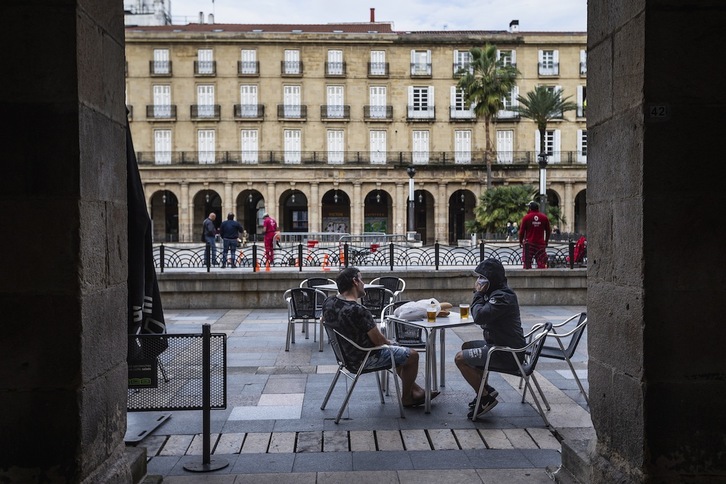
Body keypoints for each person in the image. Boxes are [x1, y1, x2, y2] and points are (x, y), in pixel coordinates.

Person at [321, 267, 436, 408]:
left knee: (399, 353)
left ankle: (417, 390)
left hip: (345, 357)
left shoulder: (329, 302)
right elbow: (378, 341)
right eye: (361, 279)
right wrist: (390, 342)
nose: (363, 283)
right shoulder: (359, 310)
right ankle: (407, 398)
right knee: (412, 355)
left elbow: (324, 321)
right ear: (355, 282)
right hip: (365, 358)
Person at [454, 259, 525, 419]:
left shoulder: (502, 297)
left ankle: (485, 398)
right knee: (467, 347)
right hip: (499, 346)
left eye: (482, 277)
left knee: (460, 359)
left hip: (507, 353)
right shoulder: (496, 293)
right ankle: (485, 390)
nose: (478, 281)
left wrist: (478, 293)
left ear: (491, 279)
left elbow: (479, 316)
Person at [519, 201, 551, 269]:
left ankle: (527, 278)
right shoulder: (544, 217)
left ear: (530, 208)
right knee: (541, 263)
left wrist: (520, 241)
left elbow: (521, 231)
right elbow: (548, 230)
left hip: (529, 244)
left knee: (527, 263)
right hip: (540, 244)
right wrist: (546, 241)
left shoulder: (526, 218)